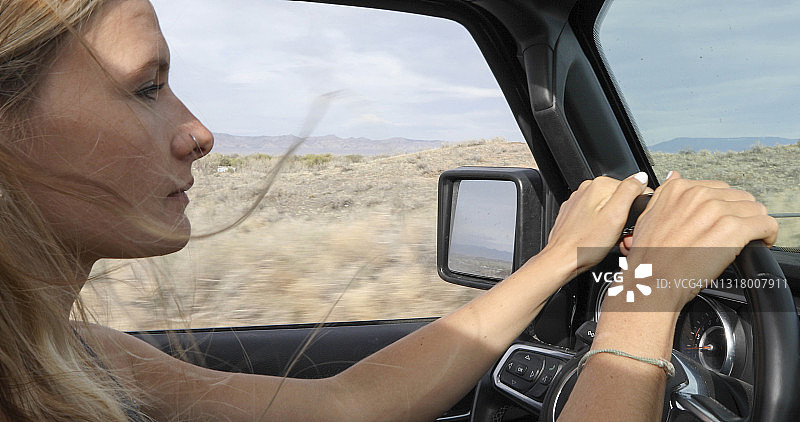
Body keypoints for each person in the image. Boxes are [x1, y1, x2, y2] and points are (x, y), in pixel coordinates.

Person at [0, 0, 777, 421]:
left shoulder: (71, 357)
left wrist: (562, 258)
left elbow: (349, 402)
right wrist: (644, 300)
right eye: (145, 86)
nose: (199, 132)